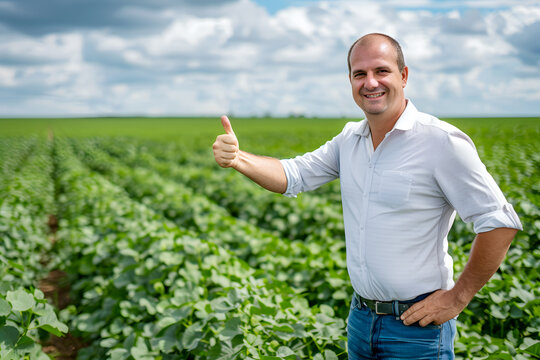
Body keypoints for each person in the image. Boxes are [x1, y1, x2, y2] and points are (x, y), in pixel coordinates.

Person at [212, 33, 522, 359]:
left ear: (403, 76)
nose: (370, 82)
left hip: (416, 331)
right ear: (350, 81)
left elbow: (499, 222)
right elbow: (294, 175)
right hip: (360, 319)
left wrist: (458, 297)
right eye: (360, 74)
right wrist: (238, 159)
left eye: (381, 71)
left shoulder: (441, 142)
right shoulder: (349, 139)